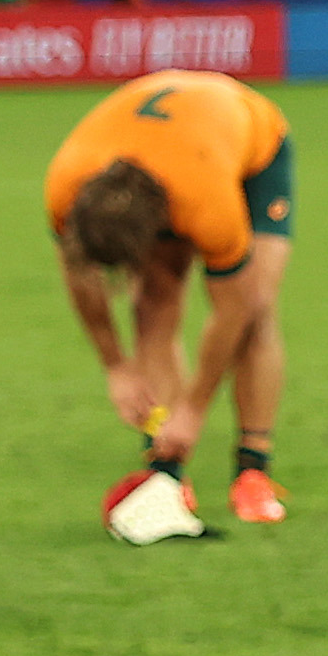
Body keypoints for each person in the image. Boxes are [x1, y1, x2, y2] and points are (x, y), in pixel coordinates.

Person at [47, 69, 296, 539]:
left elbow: (233, 309)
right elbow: (79, 276)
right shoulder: (66, 185)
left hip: (251, 142)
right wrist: (116, 366)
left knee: (257, 308)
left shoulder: (205, 203)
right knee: (151, 305)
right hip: (171, 147)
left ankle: (252, 471)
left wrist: (194, 408)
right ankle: (168, 473)